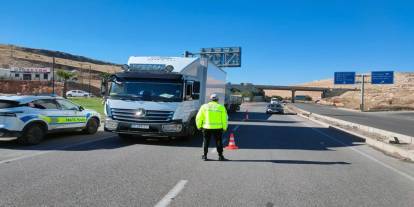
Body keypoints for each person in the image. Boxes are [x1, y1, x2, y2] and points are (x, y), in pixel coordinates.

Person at [196, 93, 228, 161]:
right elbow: (225, 118)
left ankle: (205, 155)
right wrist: (225, 127)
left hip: (206, 127)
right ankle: (220, 156)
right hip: (218, 128)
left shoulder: (204, 106)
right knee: (218, 142)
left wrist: (199, 126)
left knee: (206, 141)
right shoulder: (221, 107)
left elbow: (198, 117)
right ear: (217, 100)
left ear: (210, 100)